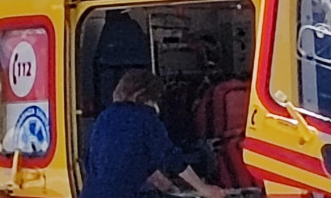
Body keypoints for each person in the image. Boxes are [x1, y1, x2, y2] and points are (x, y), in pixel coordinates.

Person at [81, 70, 228, 198]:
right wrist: (204, 189)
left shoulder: (104, 117)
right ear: (146, 96)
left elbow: (128, 163)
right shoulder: (145, 119)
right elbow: (172, 158)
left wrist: (170, 188)